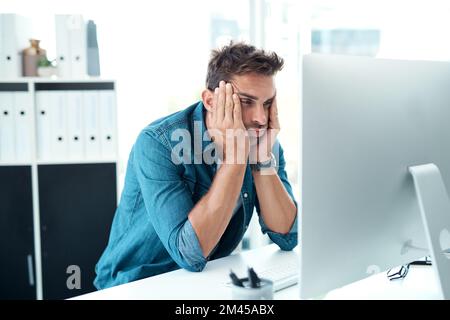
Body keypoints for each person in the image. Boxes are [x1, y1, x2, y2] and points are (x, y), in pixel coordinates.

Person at [94, 42, 298, 289]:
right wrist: (235, 157)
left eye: (267, 104)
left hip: (204, 282)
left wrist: (262, 158)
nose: (260, 118)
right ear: (210, 101)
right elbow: (190, 255)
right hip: (134, 284)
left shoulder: (261, 140)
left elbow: (288, 236)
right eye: (246, 101)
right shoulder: (159, 144)